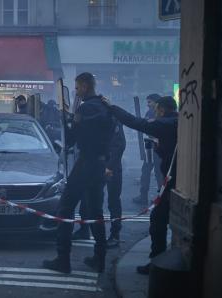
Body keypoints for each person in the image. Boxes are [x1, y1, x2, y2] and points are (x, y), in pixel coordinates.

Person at [42, 73, 115, 273]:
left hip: (86, 163)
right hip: (100, 163)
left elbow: (73, 139)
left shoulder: (83, 108)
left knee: (65, 208)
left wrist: (67, 122)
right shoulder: (106, 106)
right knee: (96, 212)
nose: (75, 91)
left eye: (77, 87)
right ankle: (99, 259)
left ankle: (63, 259)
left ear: (84, 86)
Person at [103, 95, 178, 275]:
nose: (155, 114)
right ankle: (160, 259)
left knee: (158, 220)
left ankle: (157, 262)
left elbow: (136, 122)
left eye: (157, 111)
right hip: (175, 178)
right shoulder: (177, 121)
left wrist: (113, 107)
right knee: (163, 218)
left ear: (161, 110)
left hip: (174, 180)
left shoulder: (166, 123)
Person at [72, 119, 126, 249]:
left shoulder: (113, 120)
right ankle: (84, 228)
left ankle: (115, 235)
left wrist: (110, 166)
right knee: (87, 198)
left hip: (111, 166)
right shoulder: (93, 119)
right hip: (95, 164)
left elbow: (119, 145)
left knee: (113, 200)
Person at [132, 94, 164, 205]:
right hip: (152, 147)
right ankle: (152, 197)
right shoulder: (155, 112)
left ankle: (151, 197)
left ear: (156, 102)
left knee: (155, 173)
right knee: (150, 172)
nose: (148, 104)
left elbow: (147, 127)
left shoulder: (154, 113)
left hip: (155, 147)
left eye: (150, 102)